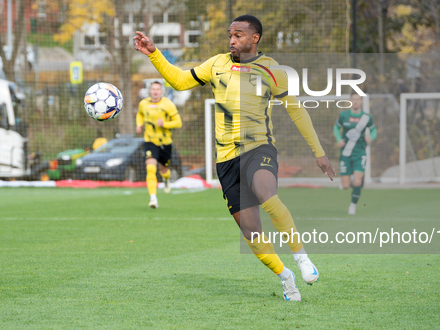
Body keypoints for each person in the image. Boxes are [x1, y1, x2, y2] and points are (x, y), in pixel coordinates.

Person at [133, 15, 336, 302]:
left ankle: (301, 257)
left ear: (255, 38)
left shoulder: (271, 69)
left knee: (266, 193)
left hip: (258, 148)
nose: (232, 40)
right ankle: (285, 276)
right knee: (251, 231)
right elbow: (179, 81)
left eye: (239, 35)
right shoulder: (216, 64)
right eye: (230, 34)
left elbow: (296, 110)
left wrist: (319, 152)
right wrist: (154, 54)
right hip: (226, 161)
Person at [136, 81, 182, 209]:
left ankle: (166, 179)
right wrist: (139, 125)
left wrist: (165, 124)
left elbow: (178, 122)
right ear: (150, 91)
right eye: (153, 89)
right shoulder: (143, 104)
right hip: (150, 141)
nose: (155, 91)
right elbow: (139, 114)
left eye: (158, 89)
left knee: (164, 170)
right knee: (150, 168)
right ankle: (153, 198)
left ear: (161, 91)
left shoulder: (168, 104)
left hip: (165, 142)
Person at [333, 92, 377, 215]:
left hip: (359, 153)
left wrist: (370, 137)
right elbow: (336, 128)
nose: (356, 101)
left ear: (361, 101)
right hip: (345, 154)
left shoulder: (366, 117)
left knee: (357, 183)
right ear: (350, 100)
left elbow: (374, 130)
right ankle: (350, 177)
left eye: (358, 99)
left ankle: (352, 205)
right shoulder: (343, 115)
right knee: (346, 185)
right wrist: (338, 140)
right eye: (354, 99)